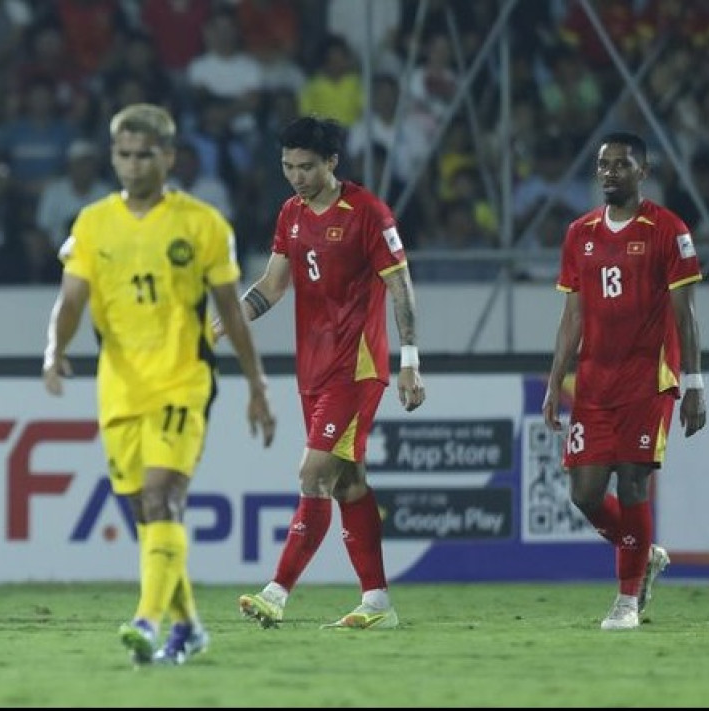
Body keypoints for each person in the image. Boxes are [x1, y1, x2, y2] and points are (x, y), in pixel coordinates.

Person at [43, 103, 276, 666]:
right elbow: (71, 300)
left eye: (145, 154)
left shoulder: (202, 224)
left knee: (161, 496)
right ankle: (189, 626)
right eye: (123, 154)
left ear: (169, 157)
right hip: (119, 386)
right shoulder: (93, 223)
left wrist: (257, 385)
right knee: (142, 514)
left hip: (182, 380)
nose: (133, 164)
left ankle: (147, 622)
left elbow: (232, 311)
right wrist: (55, 349)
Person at [228, 116, 426, 631]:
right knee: (349, 483)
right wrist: (226, 321)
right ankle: (378, 603)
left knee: (313, 473)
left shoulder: (368, 212)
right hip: (312, 370)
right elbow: (273, 285)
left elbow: (401, 285)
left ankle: (276, 593)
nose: (296, 176)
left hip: (356, 367)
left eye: (307, 166)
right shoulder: (290, 214)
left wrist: (409, 361)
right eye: (289, 166)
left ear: (332, 162)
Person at [542, 131, 706, 630]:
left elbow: (686, 315)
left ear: (643, 172)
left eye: (621, 164)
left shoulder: (668, 230)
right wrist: (556, 381)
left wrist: (694, 382)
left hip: (647, 375)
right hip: (594, 379)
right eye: (603, 164)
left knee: (632, 479)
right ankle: (644, 555)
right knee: (584, 493)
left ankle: (626, 600)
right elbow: (573, 315)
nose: (609, 171)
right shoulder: (580, 233)